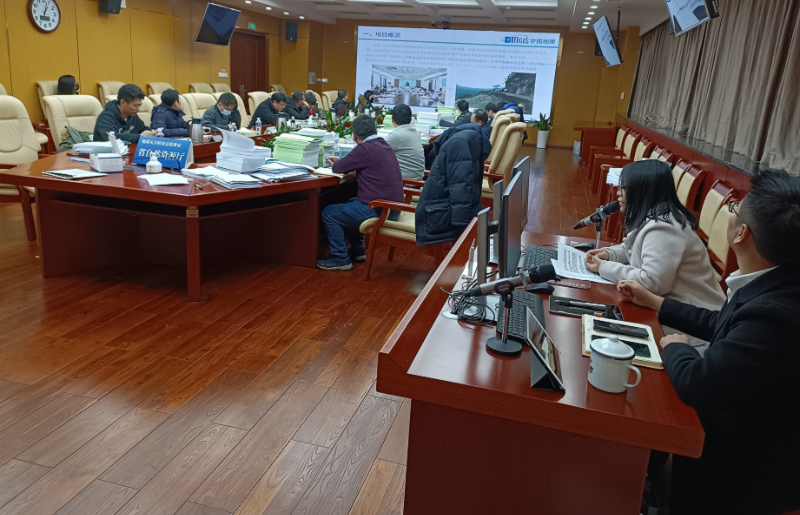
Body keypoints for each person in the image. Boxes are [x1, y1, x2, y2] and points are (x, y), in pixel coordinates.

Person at [616, 169, 800, 515]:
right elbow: (722, 322)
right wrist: (657, 303)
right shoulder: (773, 280)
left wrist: (675, 346)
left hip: (749, 471)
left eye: (734, 210)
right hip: (744, 428)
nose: (730, 214)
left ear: (741, 233)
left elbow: (696, 383)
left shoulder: (774, 315)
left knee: (648, 398)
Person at [585, 160, 725, 350]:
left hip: (693, 328)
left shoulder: (664, 228)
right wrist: (609, 254)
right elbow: (634, 248)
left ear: (642, 190)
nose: (618, 193)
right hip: (670, 312)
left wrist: (603, 267)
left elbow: (652, 281)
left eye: (624, 187)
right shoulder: (656, 216)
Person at [318, 114, 403, 271]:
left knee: (329, 213)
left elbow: (338, 168)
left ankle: (340, 258)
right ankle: (358, 251)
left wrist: (339, 162)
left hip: (379, 209)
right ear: (375, 131)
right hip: (393, 208)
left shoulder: (364, 149)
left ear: (354, 136)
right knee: (352, 202)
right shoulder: (383, 144)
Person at [416, 124, 491, 246]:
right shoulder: (473, 137)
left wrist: (461, 226)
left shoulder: (457, 144)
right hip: (466, 205)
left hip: (439, 214)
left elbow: (460, 185)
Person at [384, 104, 424, 180]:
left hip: (405, 182)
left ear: (392, 119)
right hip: (417, 179)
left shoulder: (396, 135)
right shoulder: (415, 132)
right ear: (411, 119)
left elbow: (376, 151)